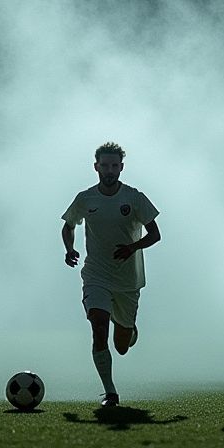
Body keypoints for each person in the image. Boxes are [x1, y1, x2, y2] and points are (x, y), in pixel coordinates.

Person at [61, 142, 161, 406]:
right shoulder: (85, 199)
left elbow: (155, 234)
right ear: (96, 167)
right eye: (104, 165)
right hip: (96, 276)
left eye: (114, 166)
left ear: (121, 168)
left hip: (128, 281)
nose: (109, 170)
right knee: (98, 327)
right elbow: (68, 225)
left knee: (122, 347)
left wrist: (132, 247)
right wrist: (69, 248)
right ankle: (111, 393)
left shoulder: (134, 197)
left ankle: (127, 328)